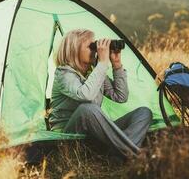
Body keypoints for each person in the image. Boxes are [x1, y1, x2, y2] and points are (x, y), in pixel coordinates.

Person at [48, 29, 152, 157]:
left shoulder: (94, 71)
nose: (96, 50)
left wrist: (117, 65)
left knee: (143, 112)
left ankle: (118, 153)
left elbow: (121, 97)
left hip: (94, 135)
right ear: (74, 50)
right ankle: (132, 153)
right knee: (87, 109)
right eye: (91, 47)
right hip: (69, 136)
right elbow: (85, 95)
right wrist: (102, 63)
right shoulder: (63, 73)